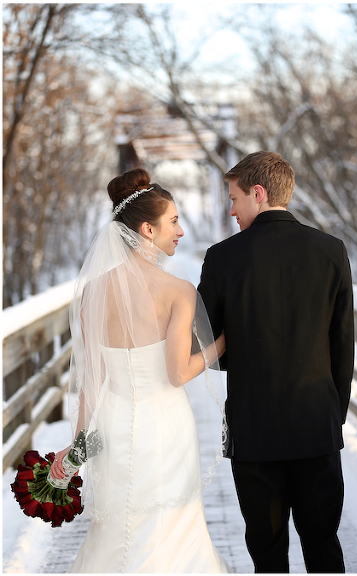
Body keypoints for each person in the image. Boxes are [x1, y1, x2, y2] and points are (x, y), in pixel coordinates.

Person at [49, 168, 231, 572]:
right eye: (174, 222)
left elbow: (92, 381)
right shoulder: (178, 292)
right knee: (171, 528)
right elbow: (177, 374)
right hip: (165, 427)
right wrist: (222, 342)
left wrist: (76, 446)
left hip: (112, 426)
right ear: (148, 230)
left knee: (116, 528)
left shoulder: (93, 292)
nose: (180, 231)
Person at [197, 151, 354, 573]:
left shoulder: (222, 257)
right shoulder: (331, 251)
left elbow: (204, 344)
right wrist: (333, 416)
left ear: (258, 193)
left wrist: (243, 353)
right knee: (324, 546)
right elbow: (343, 344)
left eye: (234, 199)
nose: (231, 210)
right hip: (317, 426)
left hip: (254, 429)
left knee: (267, 555)